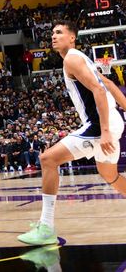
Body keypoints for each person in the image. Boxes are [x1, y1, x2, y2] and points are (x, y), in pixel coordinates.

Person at [19, 21, 126, 245]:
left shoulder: (72, 58)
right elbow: (107, 83)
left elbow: (98, 88)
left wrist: (105, 131)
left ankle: (46, 228)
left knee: (47, 159)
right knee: (110, 175)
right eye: (52, 33)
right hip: (110, 121)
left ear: (72, 38)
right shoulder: (80, 58)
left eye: (59, 32)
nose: (54, 36)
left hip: (100, 124)